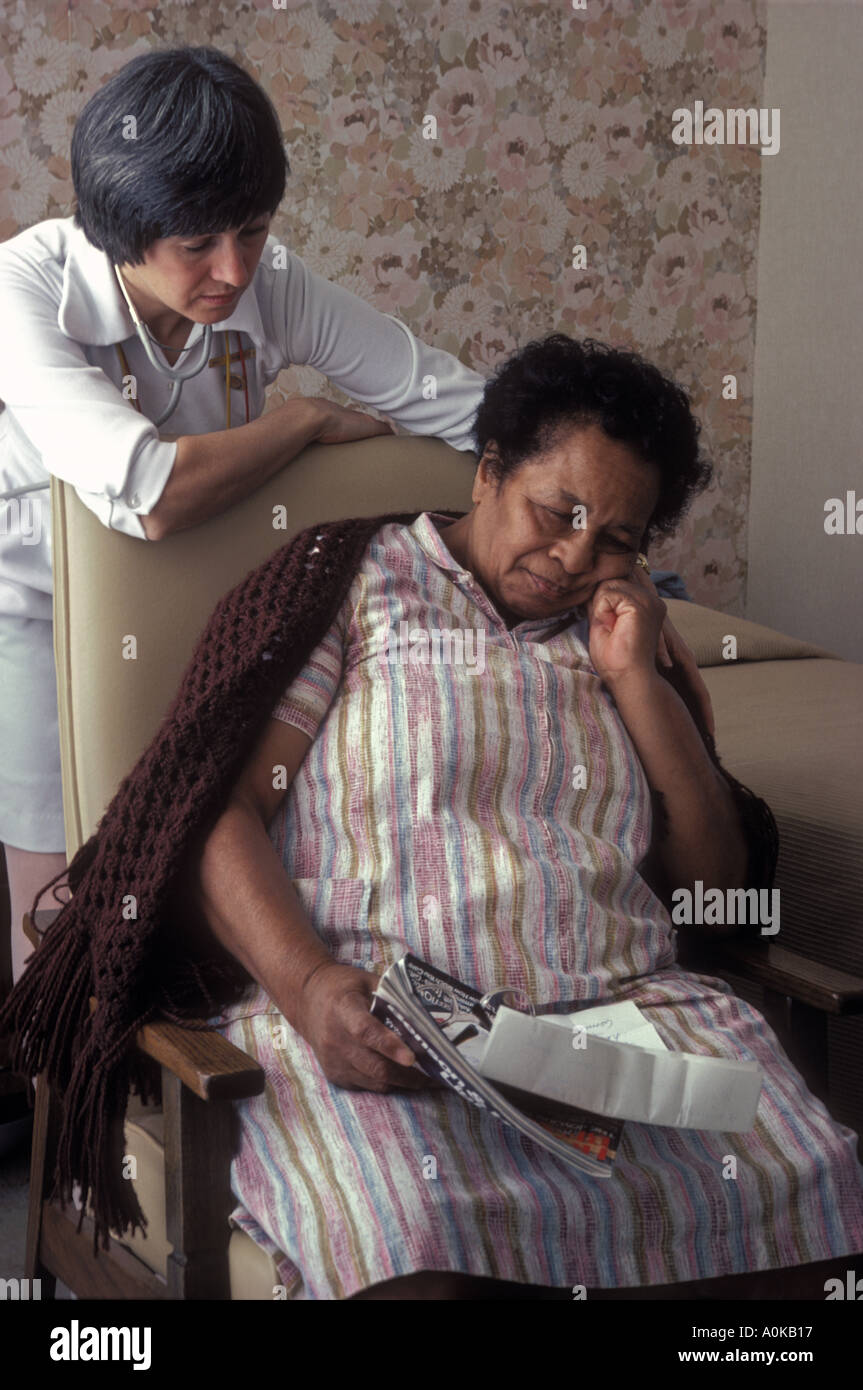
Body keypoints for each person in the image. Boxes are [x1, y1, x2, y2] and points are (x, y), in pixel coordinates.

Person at [173, 334, 863, 1301]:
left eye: (617, 539)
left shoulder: (625, 636)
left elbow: (711, 897)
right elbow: (219, 813)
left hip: (616, 1021)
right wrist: (311, 987)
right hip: (381, 1018)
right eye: (558, 512)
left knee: (816, 1194)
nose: (575, 557)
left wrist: (636, 683)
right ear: (490, 471)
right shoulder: (353, 586)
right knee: (417, 1236)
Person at [0, 45, 488, 984]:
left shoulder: (267, 280)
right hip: (34, 615)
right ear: (119, 230)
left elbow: (451, 401)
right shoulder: (26, 288)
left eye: (253, 233)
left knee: (206, 853)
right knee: (55, 913)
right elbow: (149, 490)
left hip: (201, 605)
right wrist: (302, 419)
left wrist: (582, 508)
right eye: (198, 245)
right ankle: (50, 1102)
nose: (233, 272)